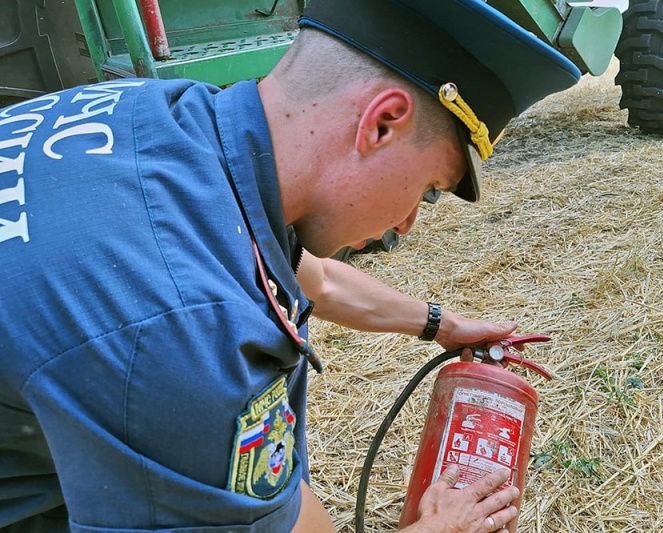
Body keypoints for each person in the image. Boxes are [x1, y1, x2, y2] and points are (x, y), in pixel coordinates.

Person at [0, 0, 580, 531]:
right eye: (428, 189)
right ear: (381, 123)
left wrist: (439, 324)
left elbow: (306, 275)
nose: (407, 223)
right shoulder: (176, 331)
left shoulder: (154, 116)